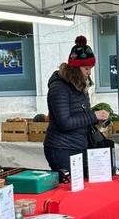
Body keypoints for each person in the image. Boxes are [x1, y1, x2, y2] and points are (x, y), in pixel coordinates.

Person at [44, 36, 109, 175]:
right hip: (61, 149)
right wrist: (92, 116)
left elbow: (80, 114)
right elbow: (64, 122)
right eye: (86, 68)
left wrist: (96, 119)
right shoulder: (59, 88)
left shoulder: (78, 86)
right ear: (75, 68)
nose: (89, 72)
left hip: (78, 146)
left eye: (90, 68)